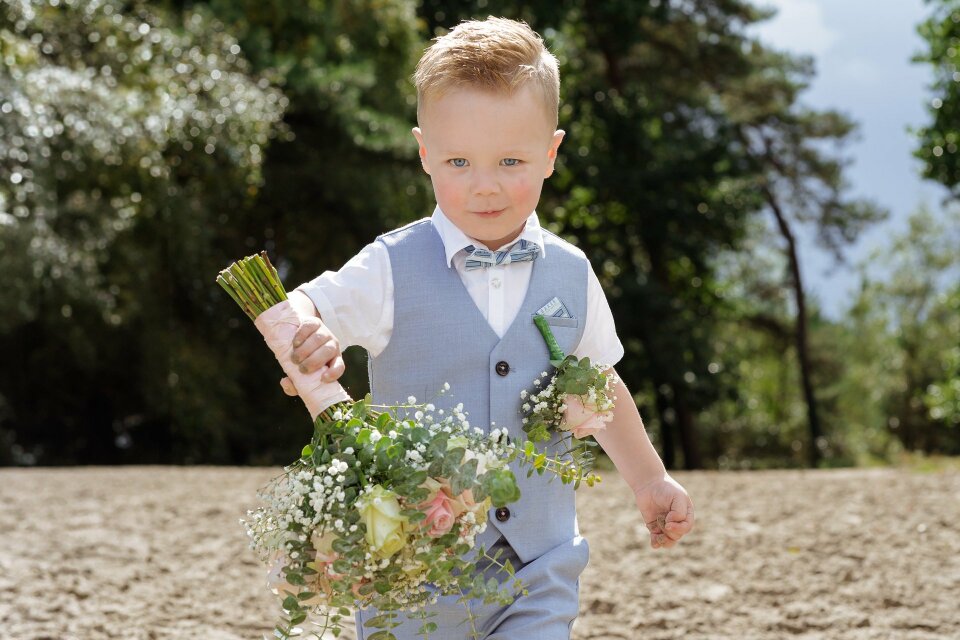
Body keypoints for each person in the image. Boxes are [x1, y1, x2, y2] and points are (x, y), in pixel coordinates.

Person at [281, 16, 695, 640]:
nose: (485, 185)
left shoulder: (571, 271)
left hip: (541, 560)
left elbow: (599, 384)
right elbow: (304, 305)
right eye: (458, 161)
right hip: (412, 564)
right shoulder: (391, 266)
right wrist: (309, 331)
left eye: (510, 160)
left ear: (551, 153)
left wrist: (649, 479)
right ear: (424, 153)